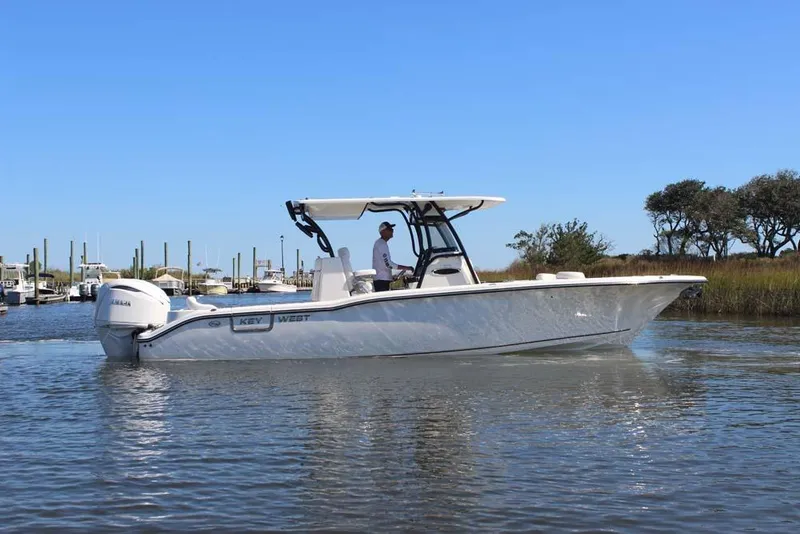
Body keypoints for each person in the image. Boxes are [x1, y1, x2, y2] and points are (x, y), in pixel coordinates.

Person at [372, 221, 414, 292]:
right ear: (383, 231)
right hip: (382, 281)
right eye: (390, 229)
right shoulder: (382, 245)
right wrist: (407, 268)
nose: (392, 231)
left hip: (382, 280)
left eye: (392, 229)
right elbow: (389, 264)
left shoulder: (380, 243)